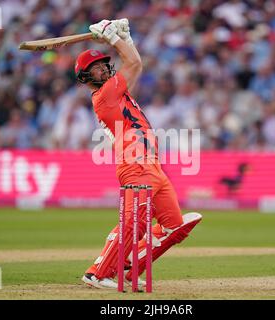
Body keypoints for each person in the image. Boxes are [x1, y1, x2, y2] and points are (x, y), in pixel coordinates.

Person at [75, 18, 202, 290]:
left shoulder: (118, 92)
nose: (103, 70)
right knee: (133, 223)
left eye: (103, 65)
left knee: (174, 227)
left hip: (152, 166)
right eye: (95, 69)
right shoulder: (104, 96)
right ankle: (98, 272)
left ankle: (129, 267)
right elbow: (134, 63)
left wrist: (125, 38)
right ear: (86, 78)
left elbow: (132, 64)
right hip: (134, 164)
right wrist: (113, 37)